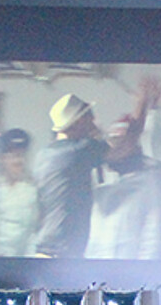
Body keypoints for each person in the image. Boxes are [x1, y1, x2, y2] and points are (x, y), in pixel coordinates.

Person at [86, 74, 161, 260]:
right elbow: (95, 234)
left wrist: (145, 107)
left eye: (120, 140)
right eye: (113, 140)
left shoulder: (149, 183)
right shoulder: (100, 178)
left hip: (128, 265)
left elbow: (151, 236)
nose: (115, 145)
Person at [34, 91, 110, 258]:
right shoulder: (79, 150)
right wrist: (142, 107)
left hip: (47, 249)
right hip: (62, 253)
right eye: (88, 115)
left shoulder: (44, 154)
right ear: (79, 121)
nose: (93, 119)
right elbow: (116, 151)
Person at [0, 127, 40, 257]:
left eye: (22, 155)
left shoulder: (33, 187)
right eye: (13, 156)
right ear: (2, 158)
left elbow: (35, 228)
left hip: (26, 257)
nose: (18, 161)